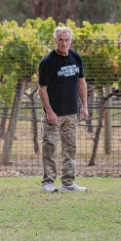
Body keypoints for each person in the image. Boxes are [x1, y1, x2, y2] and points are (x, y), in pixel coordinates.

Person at [38, 25, 89, 193]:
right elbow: (42, 89)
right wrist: (49, 112)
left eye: (67, 40)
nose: (64, 43)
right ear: (56, 41)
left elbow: (81, 83)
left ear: (71, 41)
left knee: (70, 148)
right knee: (50, 147)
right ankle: (48, 182)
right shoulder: (47, 62)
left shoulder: (76, 58)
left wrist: (84, 106)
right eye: (60, 40)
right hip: (53, 115)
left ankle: (68, 183)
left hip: (71, 114)